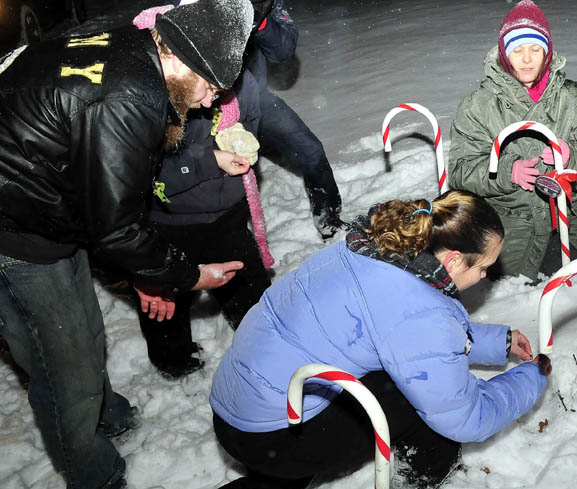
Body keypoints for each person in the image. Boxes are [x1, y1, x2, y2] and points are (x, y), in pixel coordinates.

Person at [0, 1, 254, 487]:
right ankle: (94, 471)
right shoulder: (129, 98)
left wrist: (140, 270)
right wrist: (188, 276)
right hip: (16, 231)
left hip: (50, 207)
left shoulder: (135, 48)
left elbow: (113, 197)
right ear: (182, 58)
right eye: (210, 87)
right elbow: (117, 230)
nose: (208, 103)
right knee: (61, 365)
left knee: (84, 331)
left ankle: (104, 412)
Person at [210, 190, 552, 489]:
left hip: (242, 403)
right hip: (272, 432)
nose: (484, 276)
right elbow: (465, 417)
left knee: (406, 381)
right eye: (483, 268)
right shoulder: (421, 312)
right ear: (453, 260)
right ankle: (415, 478)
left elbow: (403, 333)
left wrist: (498, 343)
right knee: (425, 416)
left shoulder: (376, 249)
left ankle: (284, 473)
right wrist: (530, 377)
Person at [131, 3, 273, 379]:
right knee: (166, 304)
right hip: (172, 223)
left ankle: (263, 350)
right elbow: (151, 178)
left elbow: (252, 130)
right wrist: (210, 159)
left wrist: (243, 144)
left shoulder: (242, 86)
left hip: (228, 213)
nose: (212, 99)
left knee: (250, 292)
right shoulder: (153, 93)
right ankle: (174, 362)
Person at [448, 0, 577, 282]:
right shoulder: (479, 107)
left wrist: (572, 156)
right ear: (504, 54)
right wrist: (504, 171)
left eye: (535, 50)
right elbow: (460, 170)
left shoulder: (574, 99)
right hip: (507, 223)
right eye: (517, 50)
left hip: (568, 216)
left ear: (547, 53)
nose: (527, 59)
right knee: (518, 296)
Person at [246, 0, 345, 240]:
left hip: (257, 99)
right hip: (208, 109)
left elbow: (283, 51)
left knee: (311, 152)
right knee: (225, 188)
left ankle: (329, 223)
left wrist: (261, 20)